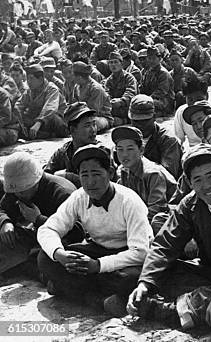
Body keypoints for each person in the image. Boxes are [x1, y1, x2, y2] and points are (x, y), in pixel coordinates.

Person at [126, 144, 211, 330]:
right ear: (189, 183)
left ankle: (168, 310)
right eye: (197, 180)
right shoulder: (189, 204)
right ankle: (168, 304)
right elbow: (165, 244)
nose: (206, 186)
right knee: (154, 275)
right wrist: (145, 283)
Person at [37, 144, 153, 316]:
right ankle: (100, 300)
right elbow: (48, 229)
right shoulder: (79, 197)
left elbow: (141, 251)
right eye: (84, 175)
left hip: (126, 256)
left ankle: (70, 289)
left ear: (111, 173)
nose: (90, 182)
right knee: (45, 258)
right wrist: (60, 254)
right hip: (97, 251)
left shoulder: (129, 201)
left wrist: (98, 266)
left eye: (97, 174)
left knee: (128, 279)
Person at [0, 153, 80, 275]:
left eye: (22, 192)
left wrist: (38, 219)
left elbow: (77, 233)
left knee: (50, 256)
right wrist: (5, 222)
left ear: (35, 182)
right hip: (34, 235)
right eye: (16, 192)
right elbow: (3, 208)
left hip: (60, 239)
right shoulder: (19, 188)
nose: (18, 195)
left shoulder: (62, 193)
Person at [113, 126, 176, 222]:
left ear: (141, 150)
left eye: (130, 149)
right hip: (141, 217)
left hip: (171, 217)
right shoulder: (123, 171)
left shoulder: (153, 174)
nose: (124, 154)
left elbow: (156, 209)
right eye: (120, 149)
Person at [45, 102, 101, 187]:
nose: (93, 130)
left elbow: (102, 183)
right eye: (87, 125)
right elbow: (45, 176)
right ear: (72, 130)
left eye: (94, 124)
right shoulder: (63, 153)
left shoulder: (100, 151)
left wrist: (69, 177)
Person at [129, 95, 183, 179]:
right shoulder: (125, 138)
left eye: (145, 121)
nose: (140, 125)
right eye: (136, 121)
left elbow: (168, 176)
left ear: (154, 117)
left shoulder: (168, 140)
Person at [15, 64, 68, 140]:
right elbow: (19, 105)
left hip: (54, 121)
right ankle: (41, 134)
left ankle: (47, 134)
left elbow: (50, 107)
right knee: (23, 118)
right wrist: (19, 120)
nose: (28, 82)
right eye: (27, 79)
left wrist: (38, 123)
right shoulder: (29, 91)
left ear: (40, 79)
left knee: (53, 118)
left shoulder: (51, 89)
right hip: (38, 120)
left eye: (31, 79)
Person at [72, 61, 113, 132]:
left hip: (101, 117)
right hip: (82, 115)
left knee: (89, 123)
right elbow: (74, 103)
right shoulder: (77, 86)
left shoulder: (95, 88)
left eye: (74, 75)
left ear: (79, 77)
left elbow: (93, 111)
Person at [104, 52, 138, 126]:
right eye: (111, 62)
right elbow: (106, 93)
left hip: (126, 107)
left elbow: (131, 93)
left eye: (116, 62)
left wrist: (121, 101)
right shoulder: (108, 80)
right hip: (114, 107)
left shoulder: (129, 78)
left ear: (121, 64)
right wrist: (110, 101)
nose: (113, 65)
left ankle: (125, 120)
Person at [174, 78, 210, 149]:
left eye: (199, 99)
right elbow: (178, 140)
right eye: (190, 99)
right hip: (193, 152)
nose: (194, 103)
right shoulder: (181, 112)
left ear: (207, 96)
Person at [141, 46, 175, 116]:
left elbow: (161, 92)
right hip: (151, 99)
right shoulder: (147, 72)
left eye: (154, 58)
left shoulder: (163, 73)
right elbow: (142, 87)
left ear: (159, 59)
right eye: (149, 58)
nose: (151, 61)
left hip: (164, 102)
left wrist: (147, 99)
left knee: (146, 105)